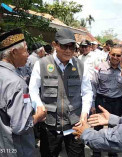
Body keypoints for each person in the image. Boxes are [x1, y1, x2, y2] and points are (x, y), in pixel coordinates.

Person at [0, 28, 46, 157]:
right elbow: (21, 126)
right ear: (14, 52)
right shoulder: (16, 83)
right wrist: (38, 116)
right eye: (26, 50)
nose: (28, 55)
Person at [29, 28, 93, 157]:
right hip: (50, 125)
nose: (68, 50)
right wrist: (39, 106)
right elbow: (33, 89)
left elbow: (87, 91)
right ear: (55, 45)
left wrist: (84, 113)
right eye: (64, 46)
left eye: (72, 46)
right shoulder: (41, 64)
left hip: (75, 124)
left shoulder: (81, 66)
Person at [90, 44, 122, 157]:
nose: (115, 57)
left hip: (116, 103)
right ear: (109, 54)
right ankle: (96, 153)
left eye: (118, 55)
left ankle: (112, 153)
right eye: (113, 54)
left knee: (114, 129)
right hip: (101, 101)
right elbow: (93, 86)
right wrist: (92, 104)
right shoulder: (100, 67)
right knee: (97, 127)